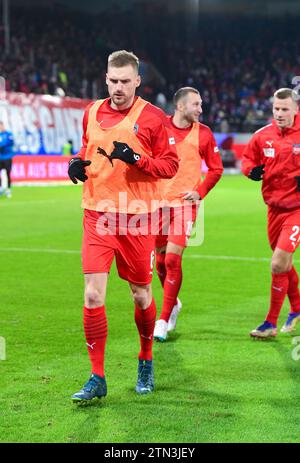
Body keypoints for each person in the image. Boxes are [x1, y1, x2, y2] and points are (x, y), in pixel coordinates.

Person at [68, 50, 178, 402]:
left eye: (125, 82)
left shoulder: (153, 118)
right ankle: (96, 376)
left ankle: (145, 359)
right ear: (106, 79)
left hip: (136, 218)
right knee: (92, 294)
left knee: (141, 294)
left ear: (137, 81)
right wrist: (75, 164)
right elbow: (87, 149)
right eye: (113, 81)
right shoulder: (91, 111)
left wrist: (137, 159)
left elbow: (170, 166)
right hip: (97, 215)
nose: (118, 88)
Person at [153, 87, 223, 342]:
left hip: (185, 205)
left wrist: (200, 192)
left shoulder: (203, 134)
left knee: (172, 260)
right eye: (196, 104)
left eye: (201, 104)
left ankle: (162, 319)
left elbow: (216, 169)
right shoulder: (160, 129)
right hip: (160, 204)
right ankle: (174, 304)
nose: (200, 109)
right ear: (180, 106)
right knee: (160, 262)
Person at [241, 88, 300, 338]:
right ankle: (297, 309)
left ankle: (270, 323)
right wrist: (250, 171)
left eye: (285, 109)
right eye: (276, 108)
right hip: (273, 210)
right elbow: (247, 160)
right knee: (283, 264)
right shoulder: (262, 135)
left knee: (277, 263)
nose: (279, 113)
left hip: (297, 209)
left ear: (296, 110)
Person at [0, 121, 14, 198]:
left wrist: (1, 144)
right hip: (0, 157)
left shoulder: (9, 134)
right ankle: (1, 188)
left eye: (1, 126)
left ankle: (8, 189)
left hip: (7, 157)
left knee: (8, 173)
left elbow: (9, 143)